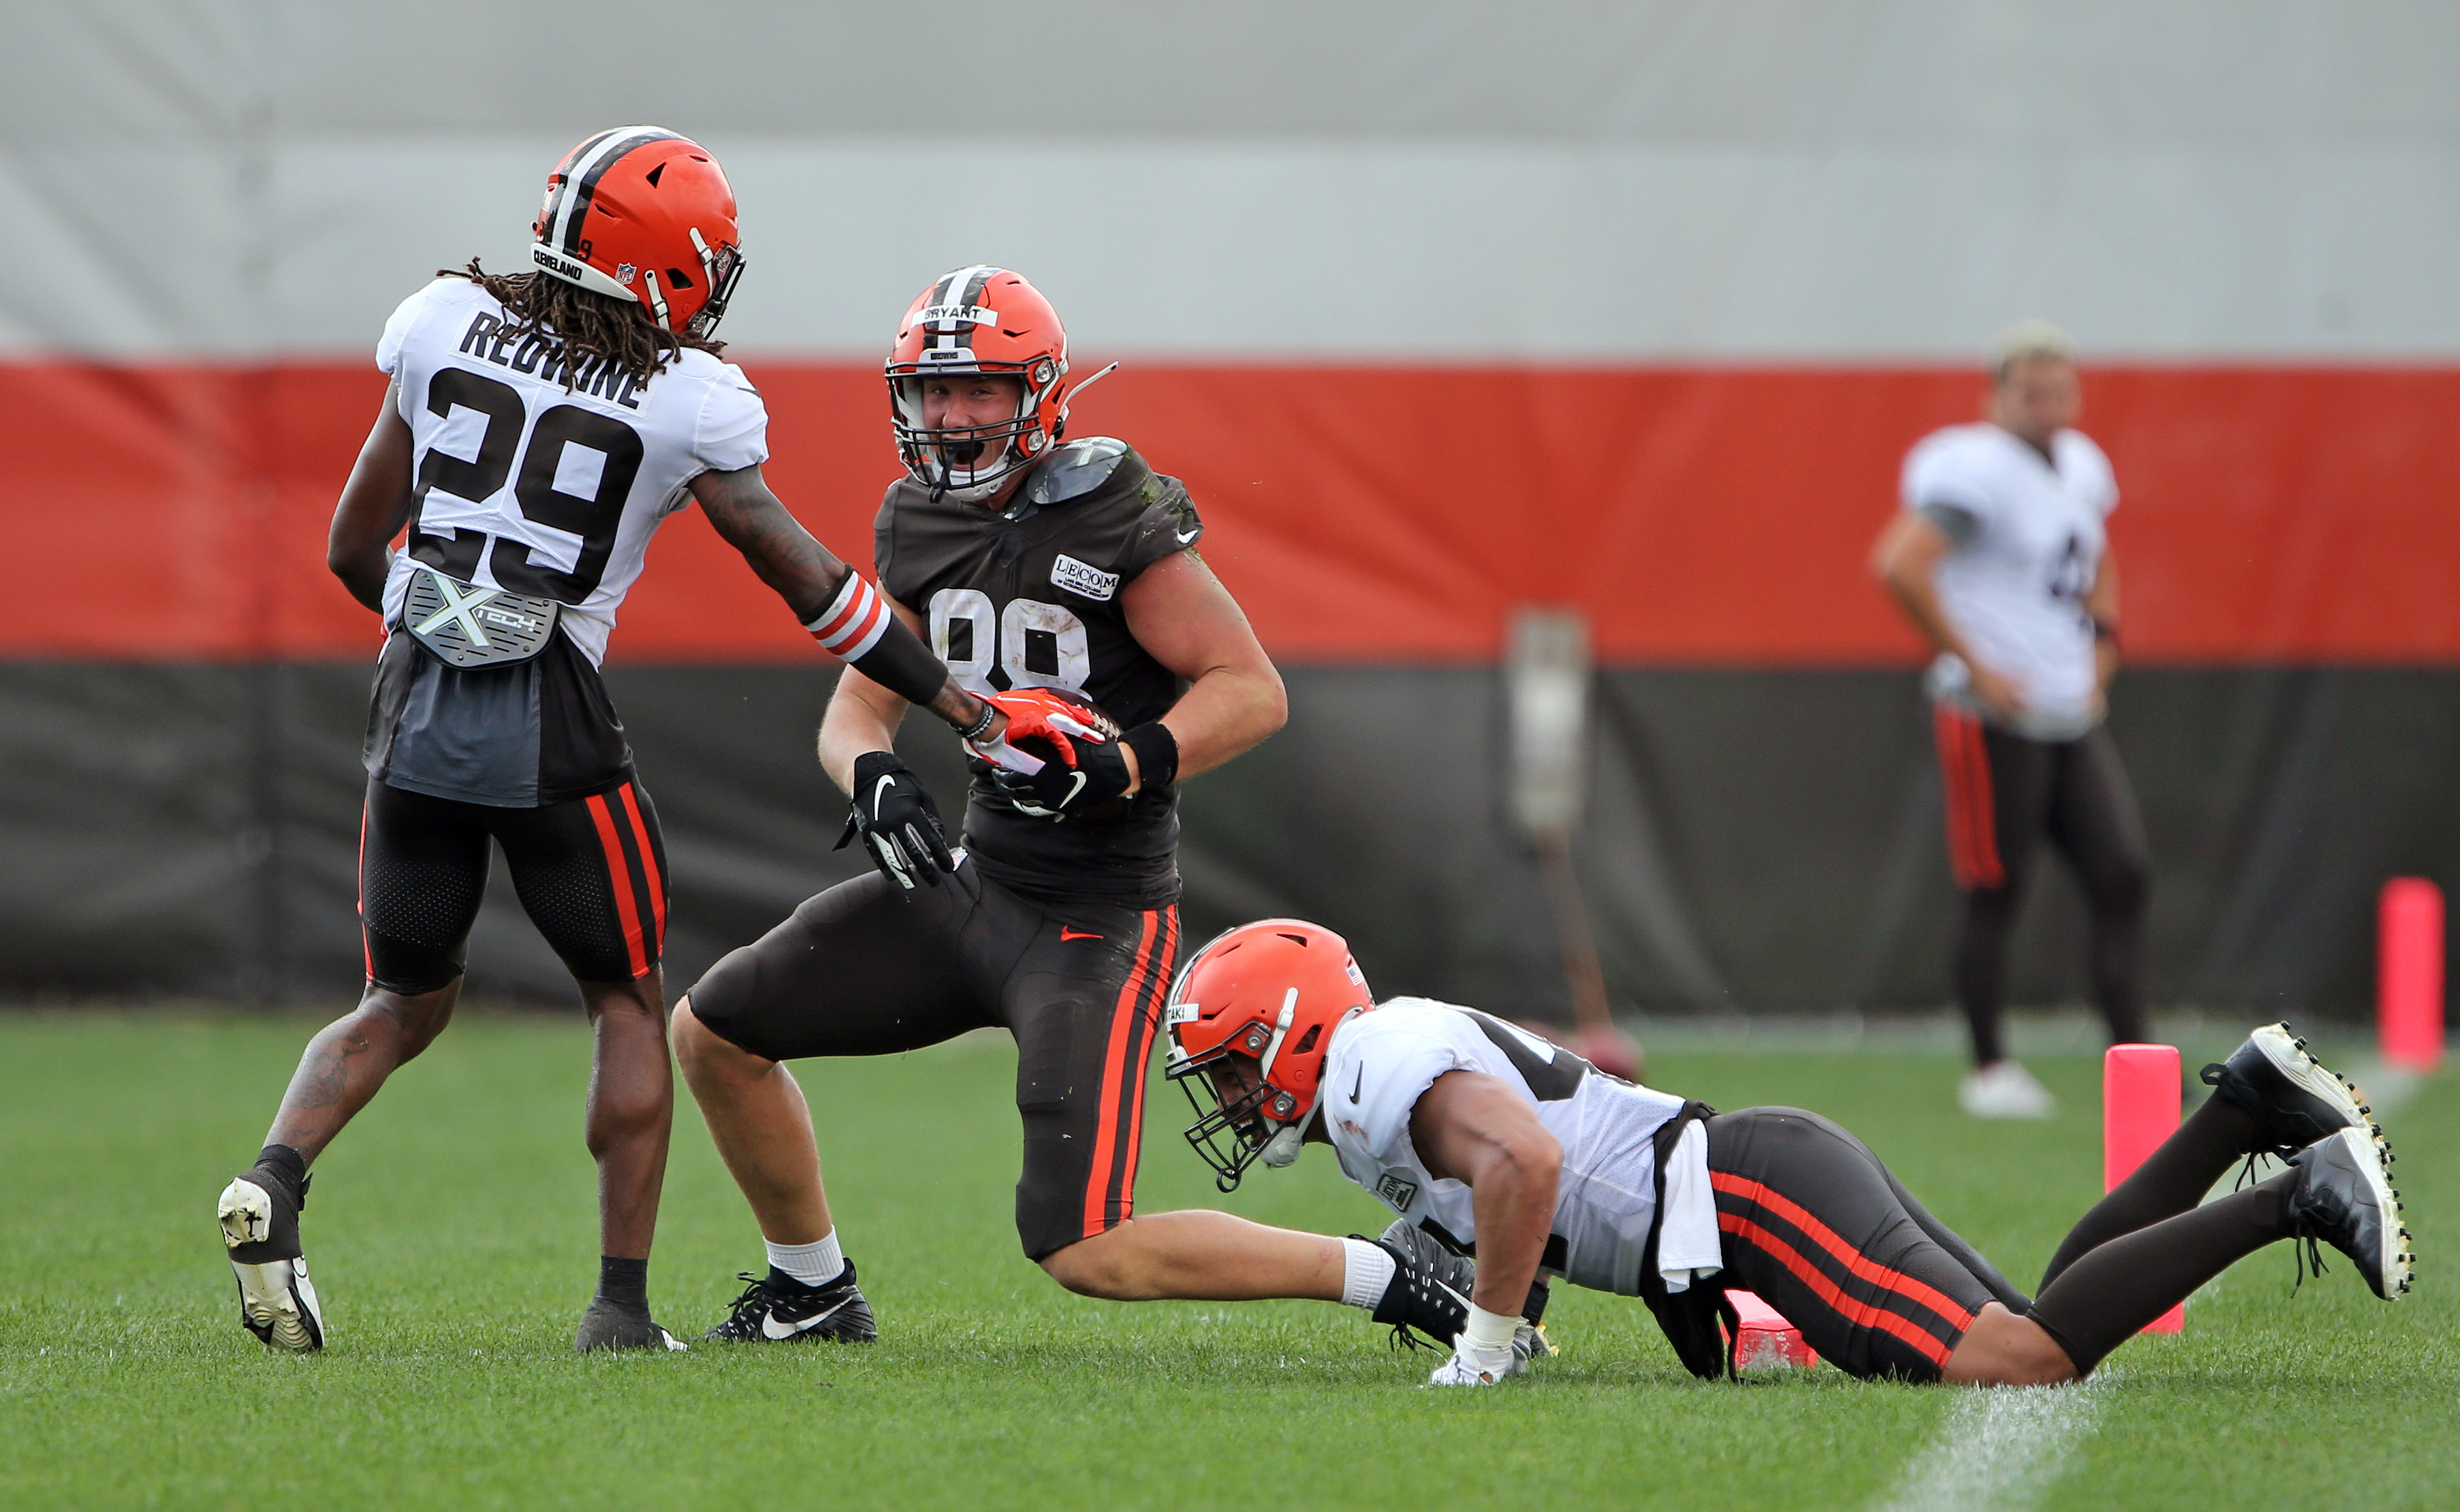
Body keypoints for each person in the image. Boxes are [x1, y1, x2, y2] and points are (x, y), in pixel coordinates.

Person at [214, 128, 1020, 1356]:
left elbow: (347, 550)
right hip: (551, 723)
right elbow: (805, 579)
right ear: (671, 268)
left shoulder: (437, 321)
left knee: (396, 1000)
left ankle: (274, 1177)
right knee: (629, 1007)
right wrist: (955, 704)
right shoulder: (685, 396)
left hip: (413, 700)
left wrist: (441, 628)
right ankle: (619, 1311)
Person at [669, 267, 1494, 1351]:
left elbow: (1253, 692)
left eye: (981, 391)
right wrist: (867, 770)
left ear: (1041, 394)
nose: (953, 418)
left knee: (1083, 1244)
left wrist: (1129, 763)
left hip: (1095, 922)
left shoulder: (1112, 514)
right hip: (973, 886)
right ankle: (813, 1292)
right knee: (715, 1031)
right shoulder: (915, 518)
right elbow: (854, 712)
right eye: (933, 392)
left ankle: (1386, 1272)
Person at [1165, 918, 2411, 1387]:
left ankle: (2299, 1195)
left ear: (1294, 1030)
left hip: (1745, 1195)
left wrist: (1482, 1355)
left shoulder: (1379, 1065)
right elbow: (1515, 1235)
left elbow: (1527, 1173)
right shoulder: (1373, 1091)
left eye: (1228, 1063)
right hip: (1747, 1179)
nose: (1225, 1097)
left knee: (2020, 1363)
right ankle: (2237, 1109)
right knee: (2038, 1324)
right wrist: (1464, 1307)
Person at [1870, 321, 2151, 1119]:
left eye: (2058, 389)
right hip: (1992, 712)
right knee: (1996, 886)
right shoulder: (1976, 470)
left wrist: (2104, 639)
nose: (2046, 404)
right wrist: (1975, 662)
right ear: (1997, 396)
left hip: (2067, 707)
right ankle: (1989, 1068)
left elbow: (2096, 555)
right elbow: (1900, 562)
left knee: (2121, 873)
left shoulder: (2082, 465)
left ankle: (2134, 1055)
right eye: (2029, 390)